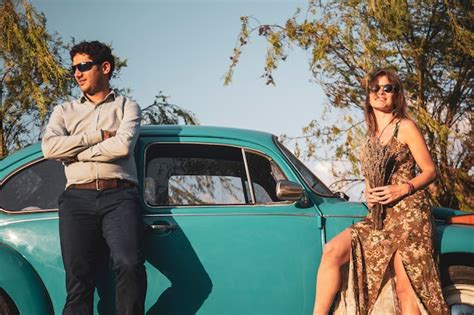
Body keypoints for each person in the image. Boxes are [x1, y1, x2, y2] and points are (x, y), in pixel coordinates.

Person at [312, 68, 449, 314]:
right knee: (332, 251)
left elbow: (430, 171)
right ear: (368, 96)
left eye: (388, 88)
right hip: (379, 219)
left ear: (397, 96)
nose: (380, 93)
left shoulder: (405, 127)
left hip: (410, 217)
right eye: (374, 88)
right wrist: (369, 195)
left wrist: (402, 188)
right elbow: (369, 182)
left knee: (407, 290)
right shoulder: (369, 140)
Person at [42, 41, 147, 314]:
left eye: (84, 66)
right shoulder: (63, 111)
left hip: (120, 196)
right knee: (78, 279)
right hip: (76, 198)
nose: (77, 73)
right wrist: (97, 137)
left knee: (129, 263)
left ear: (105, 68)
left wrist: (75, 153)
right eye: (74, 68)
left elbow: (123, 147)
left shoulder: (127, 107)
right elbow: (49, 148)